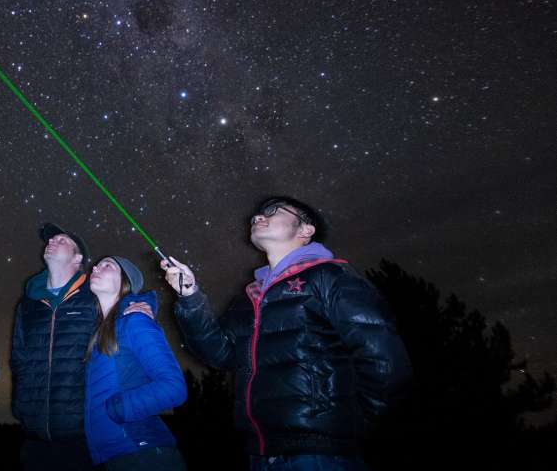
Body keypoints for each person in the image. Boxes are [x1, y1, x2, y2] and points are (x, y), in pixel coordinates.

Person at [161, 196, 412, 471]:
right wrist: (190, 297)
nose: (257, 217)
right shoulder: (250, 298)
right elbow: (220, 354)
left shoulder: (329, 277)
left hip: (321, 454)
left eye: (272, 212)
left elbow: (384, 360)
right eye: (257, 214)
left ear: (305, 231)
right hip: (261, 452)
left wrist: (352, 423)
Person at [11, 223, 152, 471]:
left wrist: (144, 303)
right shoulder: (28, 304)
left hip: (82, 437)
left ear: (77, 258)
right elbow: (18, 357)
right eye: (50, 240)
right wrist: (21, 408)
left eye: (62, 240)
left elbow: (124, 291)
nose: (51, 242)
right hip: (33, 436)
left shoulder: (93, 296)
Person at [84, 256, 187, 470]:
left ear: (124, 282)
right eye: (97, 264)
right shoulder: (98, 335)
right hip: (112, 456)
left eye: (107, 265)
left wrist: (119, 409)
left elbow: (174, 387)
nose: (95, 266)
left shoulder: (136, 320)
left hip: (143, 453)